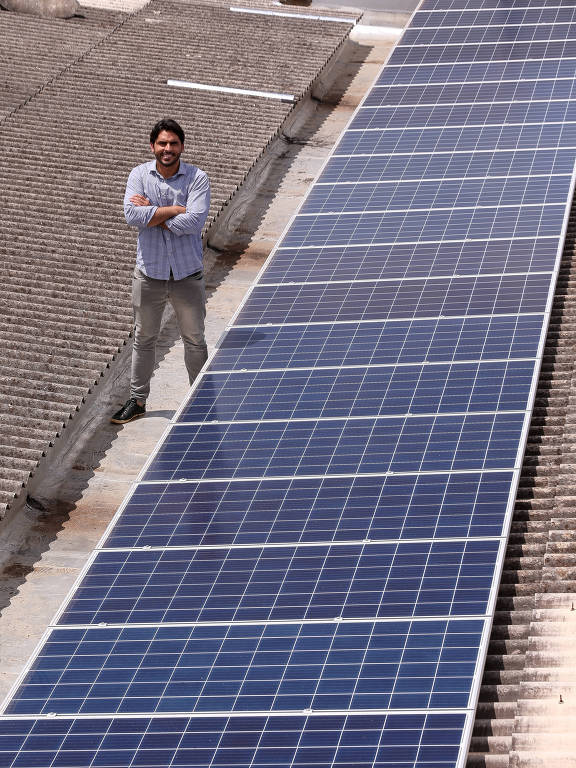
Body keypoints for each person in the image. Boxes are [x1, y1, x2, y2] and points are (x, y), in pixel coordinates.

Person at [111, 118, 210, 424]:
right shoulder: (139, 175)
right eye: (162, 143)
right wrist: (173, 210)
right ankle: (137, 401)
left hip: (187, 275)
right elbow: (131, 215)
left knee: (194, 339)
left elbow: (194, 223)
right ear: (152, 145)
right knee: (144, 339)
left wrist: (152, 212)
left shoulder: (197, 178)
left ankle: (202, 399)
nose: (168, 149)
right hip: (149, 274)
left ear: (182, 146)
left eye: (173, 143)